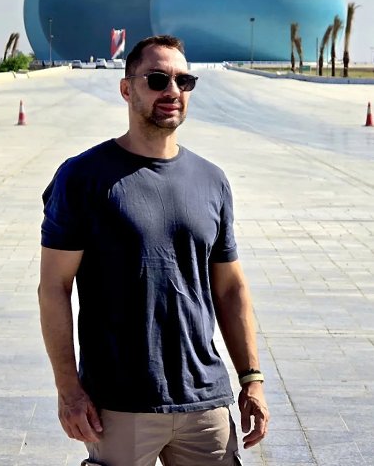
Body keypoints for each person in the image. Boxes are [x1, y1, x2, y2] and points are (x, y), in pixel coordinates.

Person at [38, 35, 269, 466]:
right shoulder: (82, 178)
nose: (172, 91)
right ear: (127, 89)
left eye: (184, 81)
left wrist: (251, 379)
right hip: (119, 404)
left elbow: (231, 289)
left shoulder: (212, 180)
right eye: (158, 79)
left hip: (204, 399)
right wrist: (68, 390)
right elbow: (54, 287)